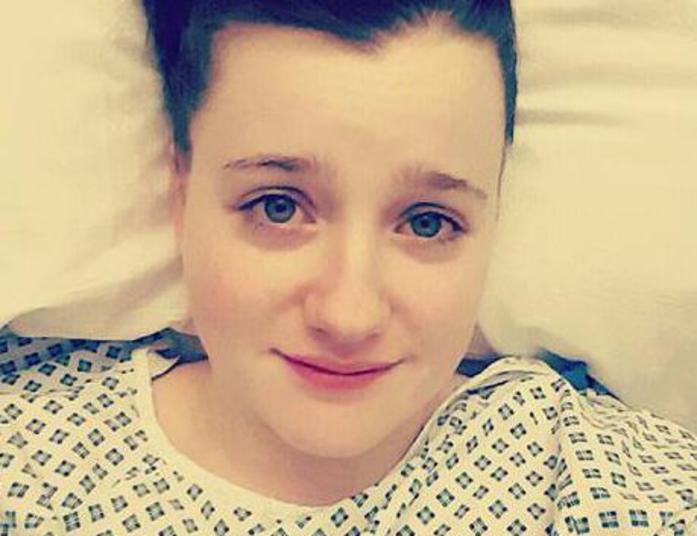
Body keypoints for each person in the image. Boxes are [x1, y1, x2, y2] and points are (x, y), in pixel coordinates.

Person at [1, 1, 695, 534]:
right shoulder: (30, 462)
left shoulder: (591, 479)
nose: (348, 315)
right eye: (277, 207)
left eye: (428, 222)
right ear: (181, 197)